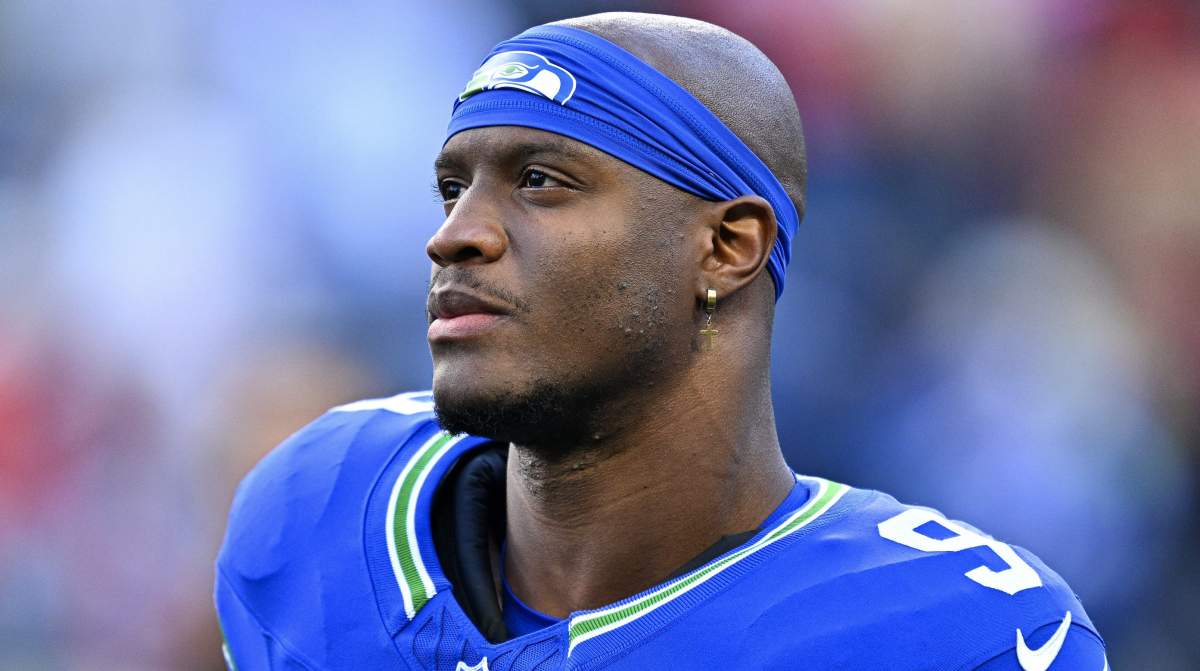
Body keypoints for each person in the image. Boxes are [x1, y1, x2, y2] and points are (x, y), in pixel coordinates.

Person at [215, 12, 1108, 670]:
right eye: (454, 189)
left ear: (726, 246)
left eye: (539, 180)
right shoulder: (318, 509)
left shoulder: (959, 635)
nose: (455, 235)